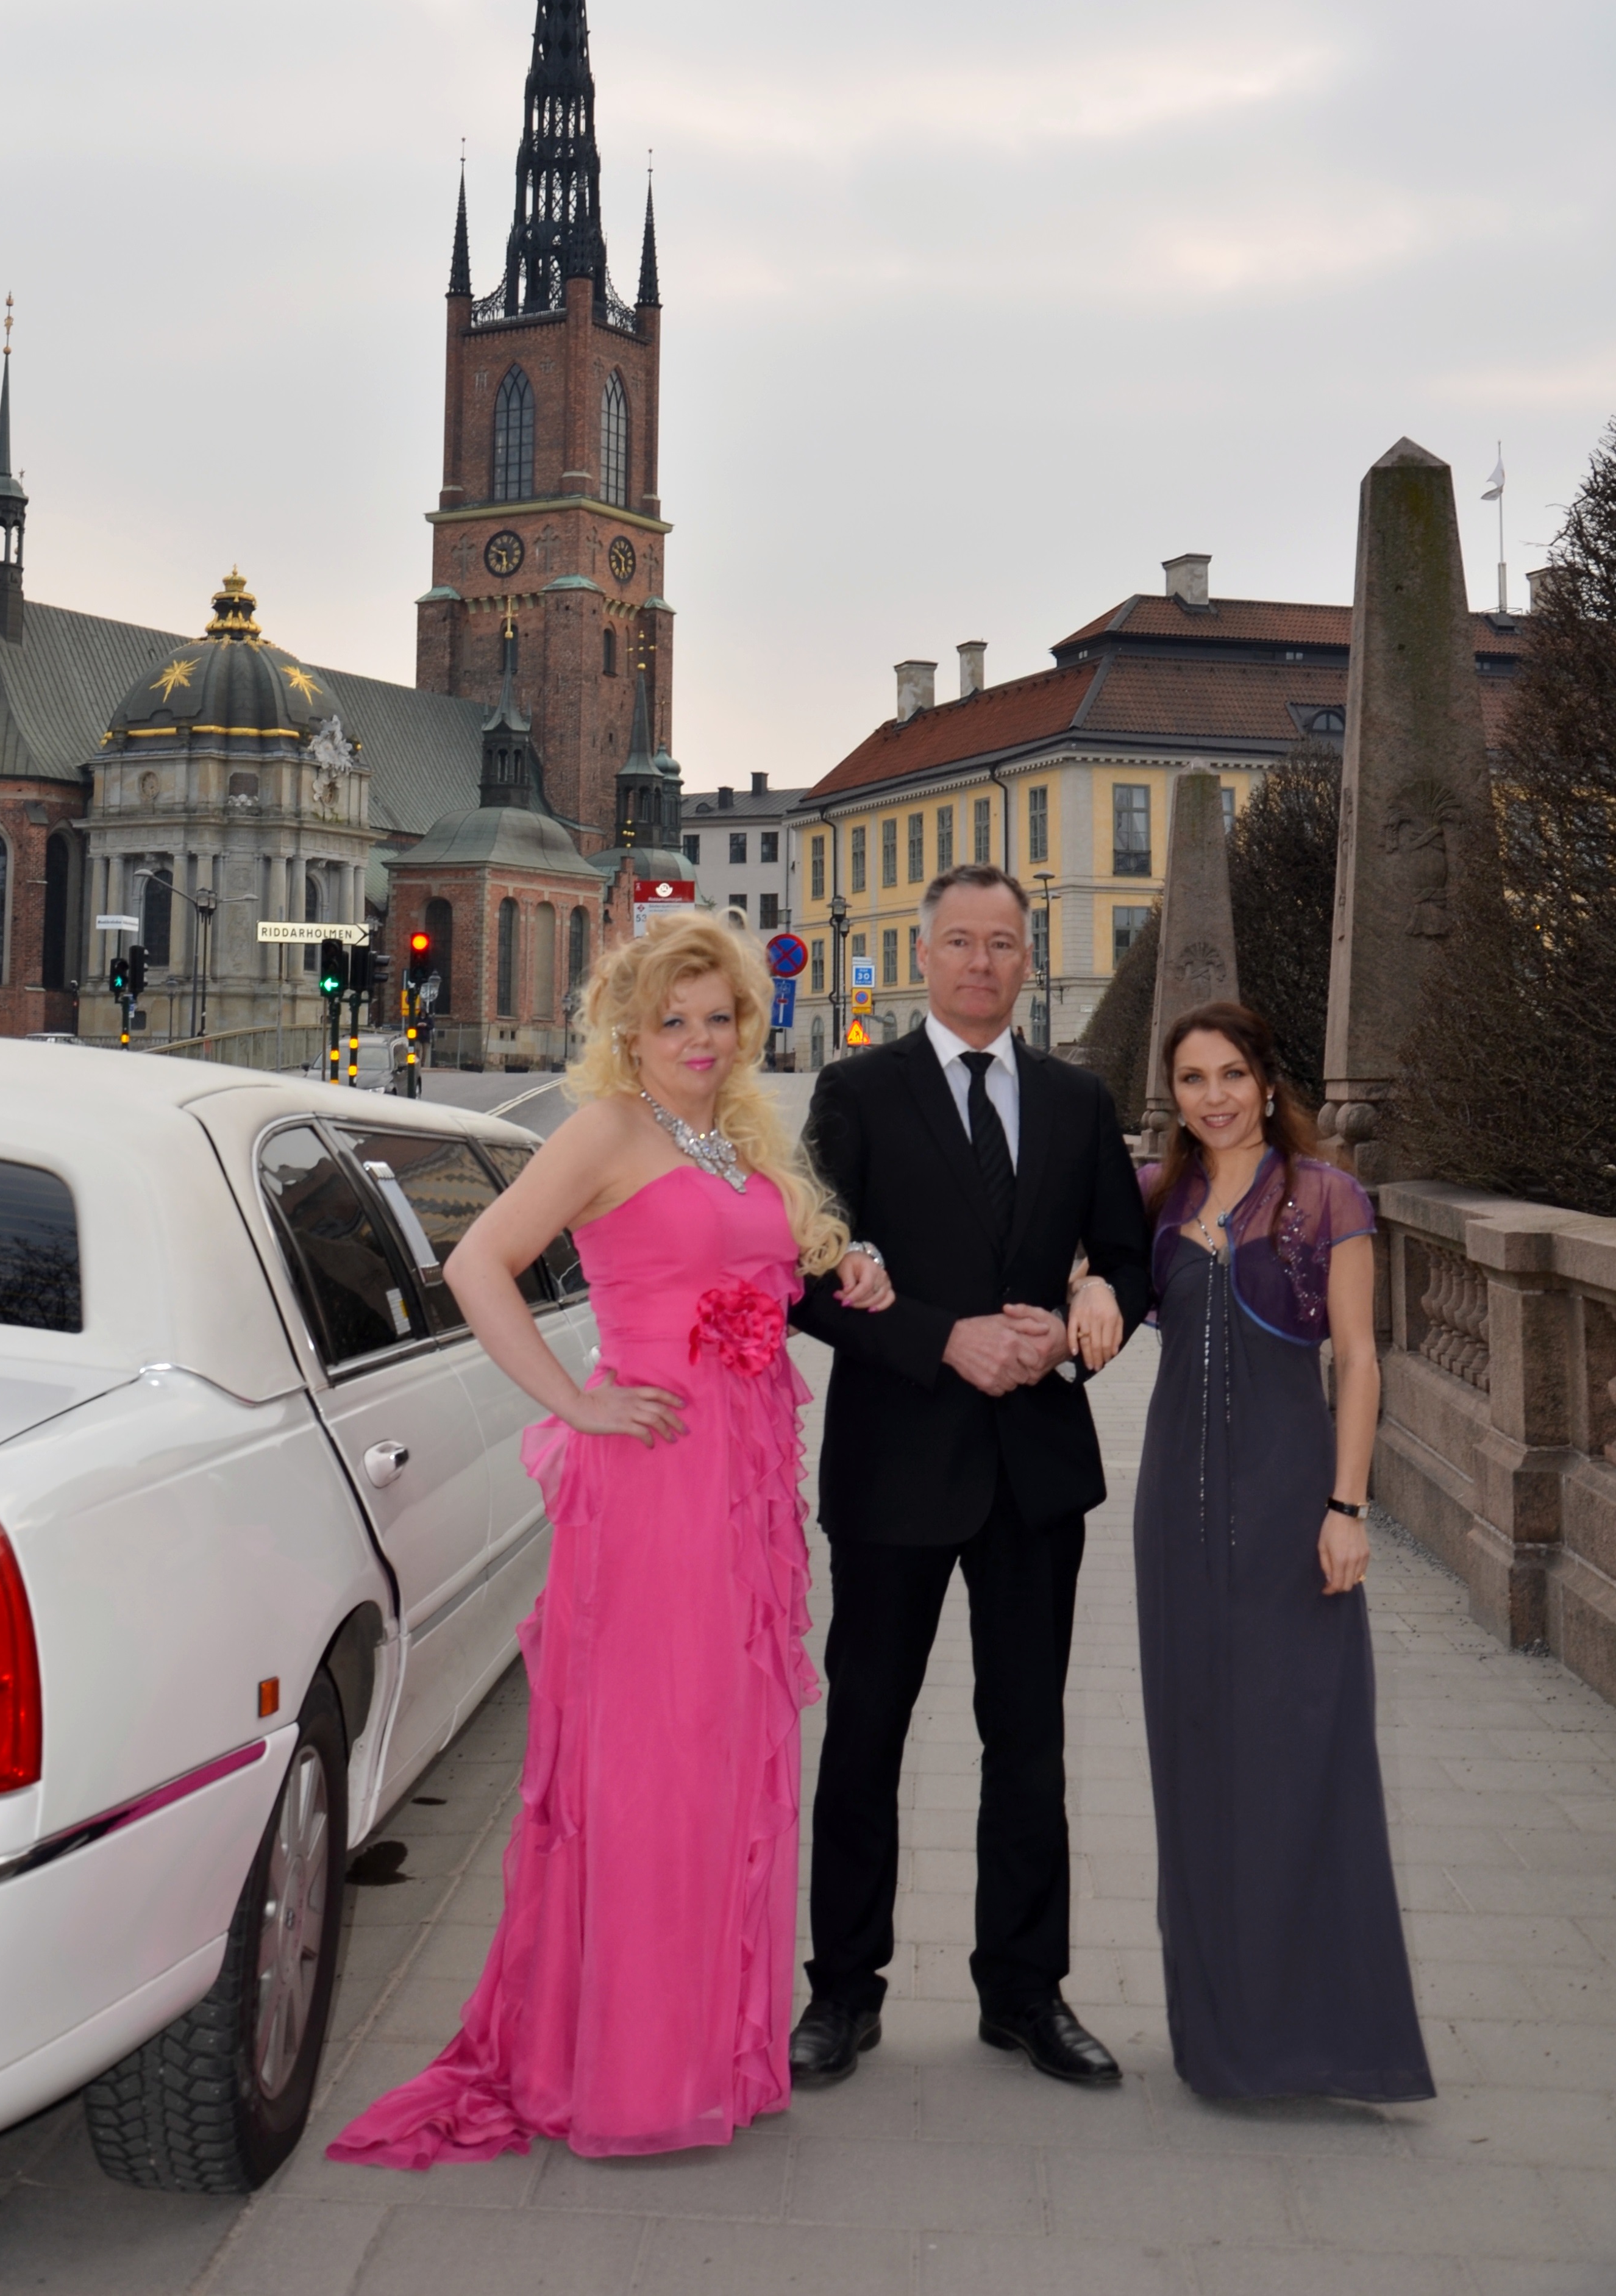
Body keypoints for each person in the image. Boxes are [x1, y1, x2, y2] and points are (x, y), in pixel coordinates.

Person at [326, 913, 894, 2166]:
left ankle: (707, 2052)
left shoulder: (737, 1135)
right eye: (673, 1020)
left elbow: (765, 1269)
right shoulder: (604, 1129)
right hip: (654, 1481)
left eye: (720, 1018)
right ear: (629, 1032)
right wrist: (574, 1400)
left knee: (725, 1754)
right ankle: (631, 2068)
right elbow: (479, 1263)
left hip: (745, 1482)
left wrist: (851, 1263)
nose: (699, 1039)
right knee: (654, 1761)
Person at [789, 866, 1152, 2092]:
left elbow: (1130, 1262)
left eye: (1003, 943)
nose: (982, 962)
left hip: (1034, 1470)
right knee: (865, 1735)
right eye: (959, 941)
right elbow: (807, 1275)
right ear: (923, 954)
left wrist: (1075, 1330)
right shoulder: (857, 1092)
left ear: (1027, 957)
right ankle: (843, 1991)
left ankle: (1026, 1992)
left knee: (1030, 1742)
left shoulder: (1076, 1099)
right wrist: (943, 1338)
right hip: (895, 1464)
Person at [1134, 1003, 1433, 2103]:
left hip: (1288, 1509)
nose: (1213, 1096)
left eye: (1231, 1074)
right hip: (1175, 1516)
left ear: (1267, 1082)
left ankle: (1326, 2036)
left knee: (1302, 1751)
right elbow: (1084, 1279)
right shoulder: (1155, 1197)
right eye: (1193, 1079)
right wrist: (1082, 1287)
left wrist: (1346, 1506)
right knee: (1195, 1758)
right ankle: (1222, 2041)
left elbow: (1358, 1360)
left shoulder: (1327, 1197)